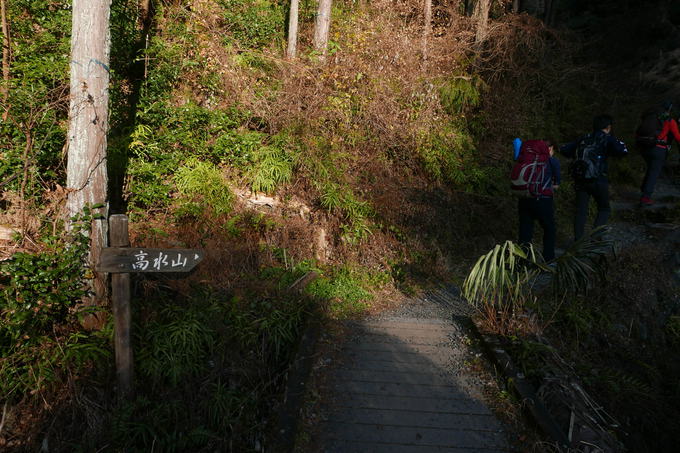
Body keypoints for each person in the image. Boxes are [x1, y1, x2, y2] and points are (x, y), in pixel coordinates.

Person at [560, 114, 628, 240]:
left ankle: (578, 243)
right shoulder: (608, 139)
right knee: (604, 209)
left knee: (581, 211)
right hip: (599, 180)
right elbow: (623, 151)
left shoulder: (583, 138)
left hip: (581, 180)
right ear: (608, 127)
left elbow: (564, 150)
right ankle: (596, 239)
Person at [517, 139, 561, 262]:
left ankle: (522, 263)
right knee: (549, 229)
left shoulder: (525, 159)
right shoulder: (552, 161)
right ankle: (548, 260)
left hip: (524, 198)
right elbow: (556, 184)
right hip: (543, 200)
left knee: (525, 231)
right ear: (550, 148)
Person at [636, 100, 680, 206]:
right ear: (669, 109)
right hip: (659, 149)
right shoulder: (670, 121)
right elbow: (678, 138)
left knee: (651, 168)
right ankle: (645, 197)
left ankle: (644, 188)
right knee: (654, 172)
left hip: (644, 147)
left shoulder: (650, 117)